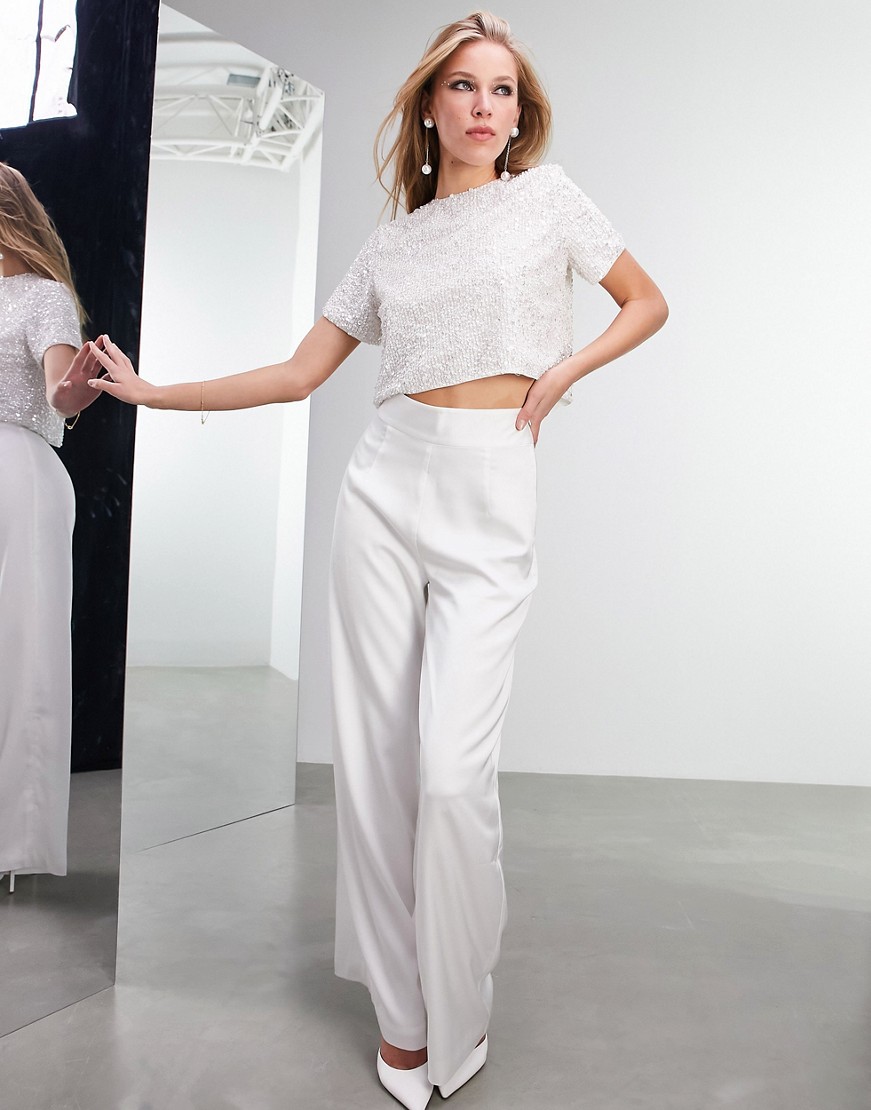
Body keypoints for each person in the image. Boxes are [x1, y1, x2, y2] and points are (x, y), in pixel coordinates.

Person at [85, 11, 668, 1107]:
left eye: (503, 90)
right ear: (430, 107)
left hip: (491, 484)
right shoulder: (389, 245)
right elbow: (297, 373)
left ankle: (461, 999)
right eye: (464, 87)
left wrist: (559, 372)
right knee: (375, 765)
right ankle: (403, 1017)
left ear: (519, 115)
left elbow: (646, 301)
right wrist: (153, 391)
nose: (485, 106)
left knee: (452, 778)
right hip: (386, 484)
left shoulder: (549, 200)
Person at [0, 163, 104, 894]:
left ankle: (15, 841)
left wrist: (79, 388)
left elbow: (61, 392)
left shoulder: (43, 296)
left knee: (23, 652)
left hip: (18, 475)